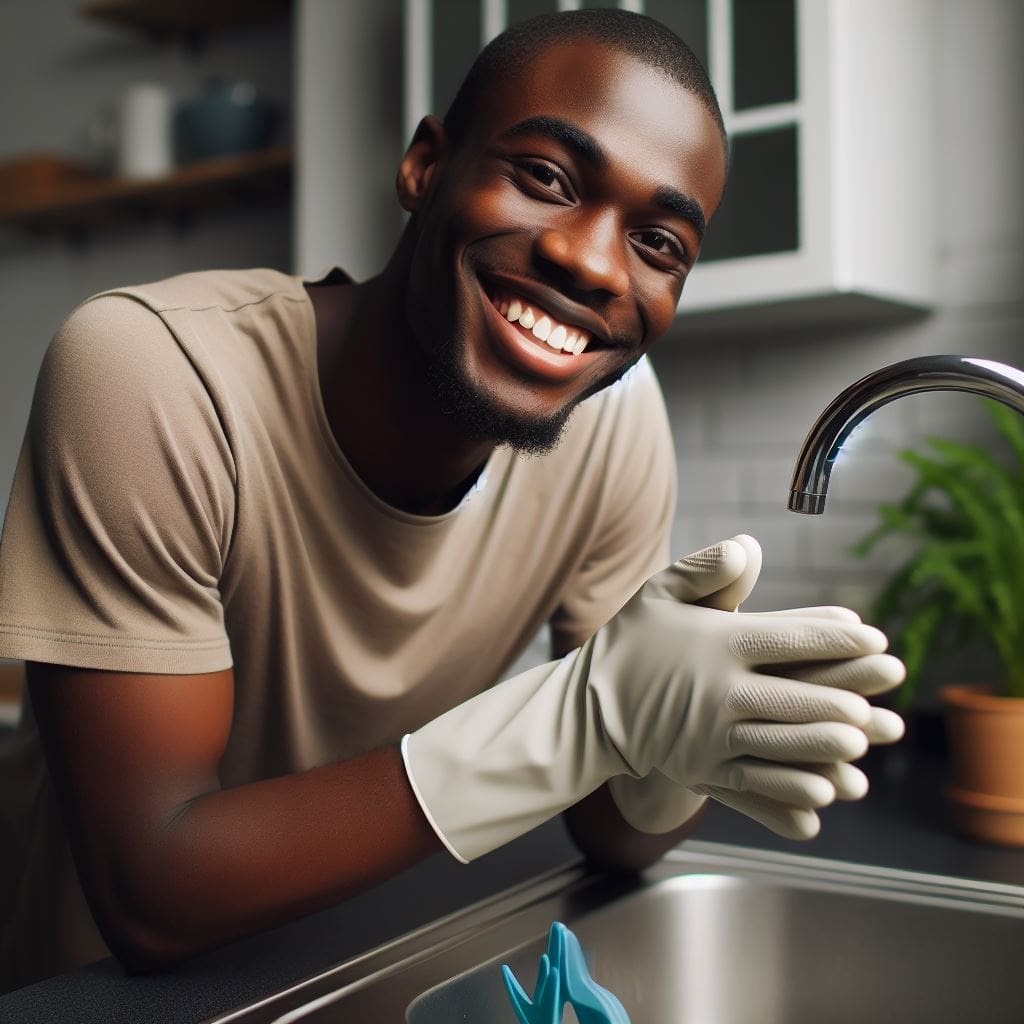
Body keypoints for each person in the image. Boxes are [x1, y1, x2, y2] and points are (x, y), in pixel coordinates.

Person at [0, 9, 905, 992]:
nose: (594, 264)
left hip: (362, 959)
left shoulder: (614, 426)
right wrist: (580, 717)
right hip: (103, 996)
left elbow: (611, 832)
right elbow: (151, 890)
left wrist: (663, 748)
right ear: (425, 166)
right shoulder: (153, 372)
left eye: (657, 241)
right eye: (547, 179)